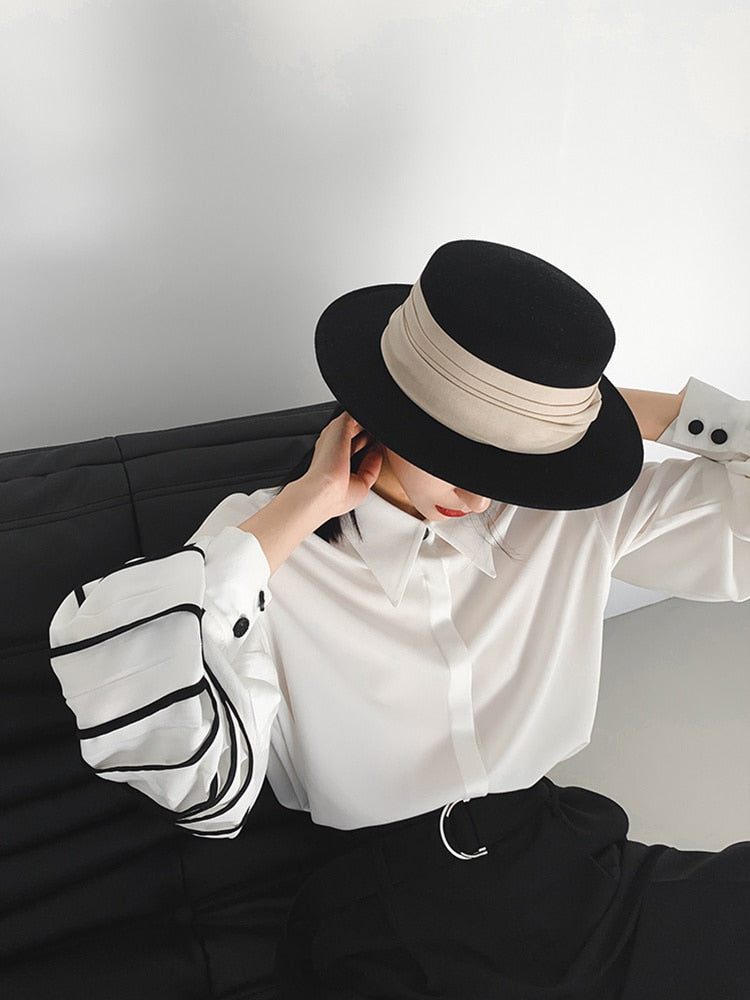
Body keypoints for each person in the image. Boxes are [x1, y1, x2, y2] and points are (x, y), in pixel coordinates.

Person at [50, 240, 750, 999]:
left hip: (571, 865)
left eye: (506, 464)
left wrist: (624, 415)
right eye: (459, 455)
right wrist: (307, 503)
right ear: (385, 410)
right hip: (392, 916)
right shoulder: (259, 544)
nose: (479, 496)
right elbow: (173, 749)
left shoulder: (567, 515)